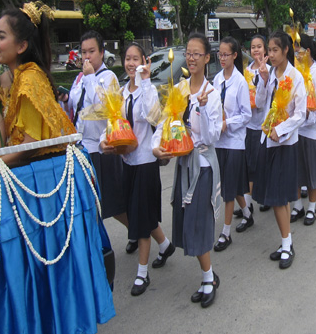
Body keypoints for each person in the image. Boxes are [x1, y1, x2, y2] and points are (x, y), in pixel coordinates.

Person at [152, 33, 222, 308]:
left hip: (203, 166)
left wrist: (203, 109)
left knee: (197, 223)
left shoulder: (212, 93)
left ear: (207, 58)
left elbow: (213, 137)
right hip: (183, 164)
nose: (192, 58)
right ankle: (208, 275)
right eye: (188, 53)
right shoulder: (179, 90)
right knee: (188, 224)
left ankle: (208, 278)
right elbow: (165, 123)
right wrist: (157, 147)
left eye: (197, 54)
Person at [101, 43, 174, 296]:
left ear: (145, 61)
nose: (131, 63)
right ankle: (164, 245)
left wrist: (144, 81)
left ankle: (142, 274)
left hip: (145, 162)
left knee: (141, 218)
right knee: (138, 211)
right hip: (127, 163)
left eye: (136, 59)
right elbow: (114, 122)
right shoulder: (121, 93)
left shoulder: (149, 89)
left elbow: (150, 116)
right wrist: (103, 140)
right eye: (128, 59)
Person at [0, 2, 76, 172]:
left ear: (21, 46)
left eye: (2, 37)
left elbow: (31, 143)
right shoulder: (9, 80)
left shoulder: (30, 79)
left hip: (40, 174)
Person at [66, 30, 130, 250]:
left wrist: (91, 77)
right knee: (93, 204)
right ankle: (99, 246)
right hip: (82, 147)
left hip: (102, 148)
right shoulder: (79, 78)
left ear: (102, 53)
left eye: (92, 51)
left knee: (113, 203)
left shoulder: (107, 77)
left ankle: (143, 233)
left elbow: (102, 109)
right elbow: (77, 107)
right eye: (83, 52)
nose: (87, 57)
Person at [253, 30, 306, 269]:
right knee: (277, 198)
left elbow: (300, 114)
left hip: (285, 144)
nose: (270, 54)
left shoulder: (295, 77)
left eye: (275, 50)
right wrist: (263, 80)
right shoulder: (270, 74)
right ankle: (286, 242)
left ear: (286, 50)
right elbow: (262, 103)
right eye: (269, 50)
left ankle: (287, 244)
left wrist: (281, 129)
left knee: (278, 197)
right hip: (269, 141)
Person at [212, 37, 253, 252]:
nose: (222, 58)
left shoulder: (240, 82)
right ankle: (247, 213)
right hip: (219, 141)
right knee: (231, 183)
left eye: (226, 54)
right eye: (220, 54)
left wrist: (228, 123)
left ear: (235, 55)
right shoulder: (217, 80)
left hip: (235, 142)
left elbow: (246, 114)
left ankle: (225, 232)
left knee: (228, 189)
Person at [290, 34, 316, 225]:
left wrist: (309, 115)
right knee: (297, 170)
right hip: (297, 130)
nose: (296, 54)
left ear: (307, 51)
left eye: (298, 50)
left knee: (313, 171)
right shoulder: (295, 73)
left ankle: (312, 208)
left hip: (312, 130)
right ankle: (298, 205)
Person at [240, 35, 272, 215]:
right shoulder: (246, 70)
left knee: (263, 164)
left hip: (263, 124)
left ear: (265, 49)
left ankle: (265, 197)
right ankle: (248, 204)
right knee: (250, 165)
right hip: (249, 124)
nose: (256, 50)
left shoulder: (269, 70)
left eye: (259, 47)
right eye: (253, 47)